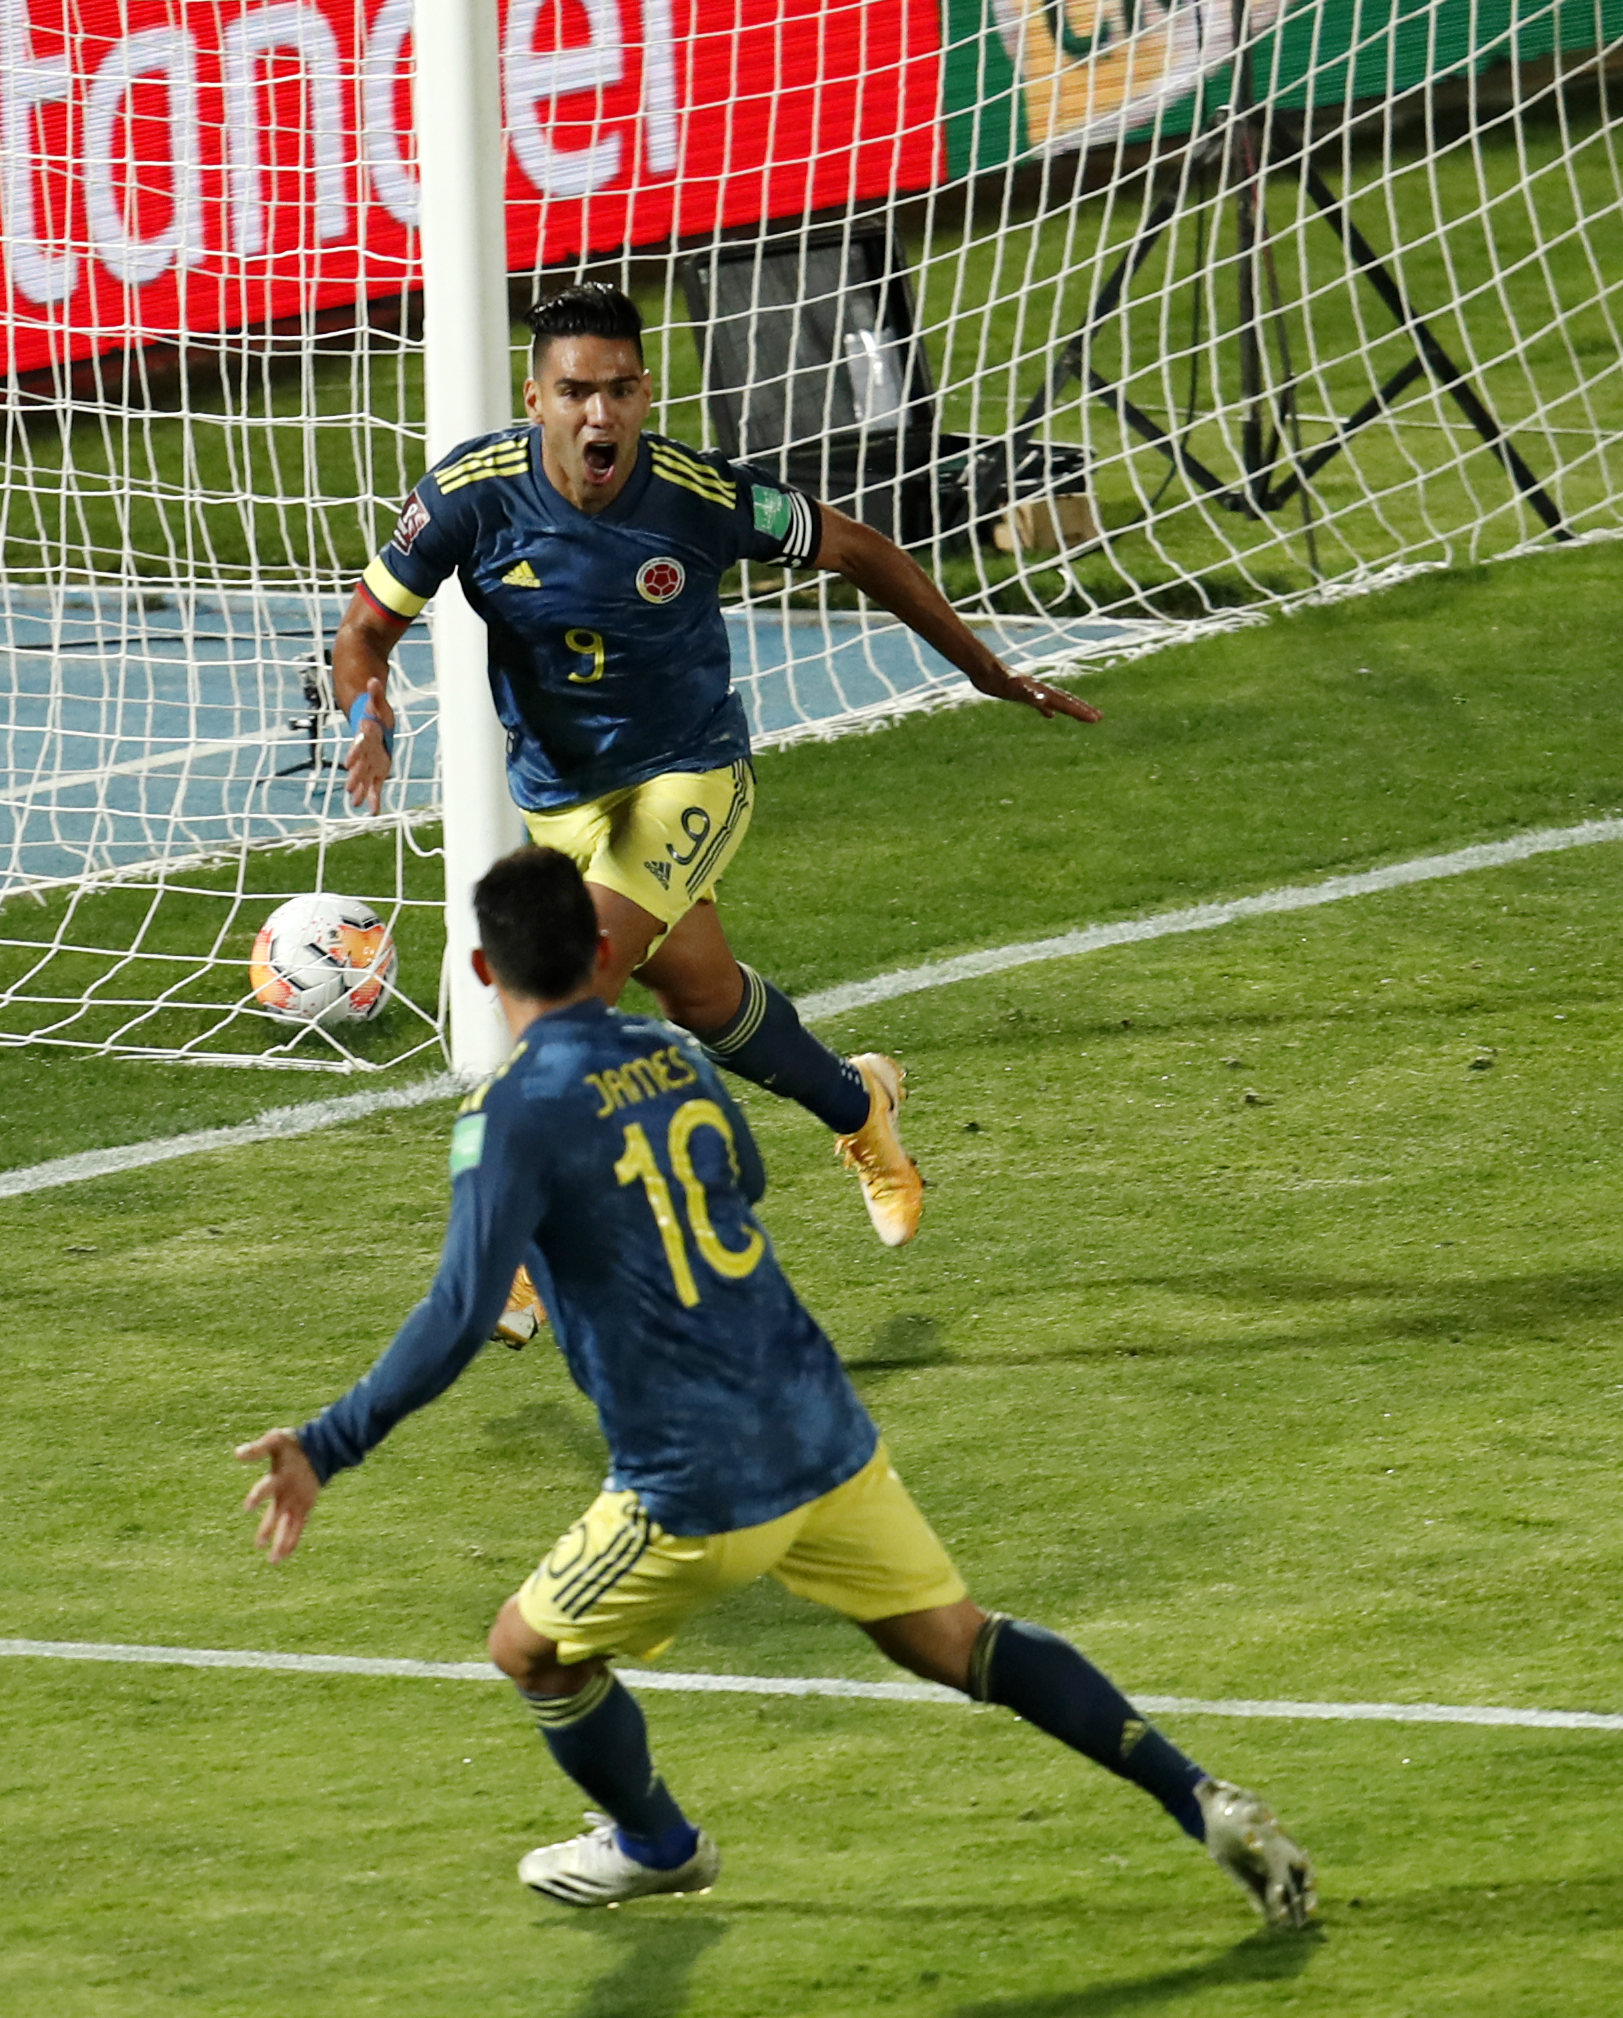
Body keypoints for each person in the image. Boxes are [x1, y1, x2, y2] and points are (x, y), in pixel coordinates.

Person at [234, 844, 1314, 1924]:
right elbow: (738, 1182)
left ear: (479, 971)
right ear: (607, 948)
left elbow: (462, 1312)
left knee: (529, 1649)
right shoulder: (671, 1053)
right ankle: (1201, 1799)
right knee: (956, 1641)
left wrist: (325, 1445)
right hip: (820, 1424)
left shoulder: (508, 1112)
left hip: (693, 1477)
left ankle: (657, 1845)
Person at [334, 282, 1102, 1343]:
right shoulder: (471, 494)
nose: (598, 416)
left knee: (576, 986)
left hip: (689, 770)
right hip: (557, 797)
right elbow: (365, 627)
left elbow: (862, 550)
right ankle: (860, 1107)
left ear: (646, 391)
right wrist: (364, 708)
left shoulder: (698, 495)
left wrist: (983, 671)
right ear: (536, 397)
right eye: (573, 393)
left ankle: (522, 1253)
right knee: (700, 999)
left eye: (618, 391)